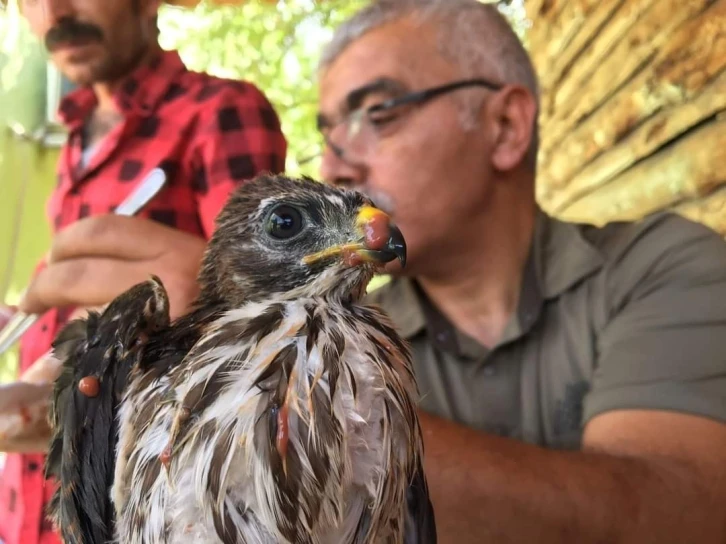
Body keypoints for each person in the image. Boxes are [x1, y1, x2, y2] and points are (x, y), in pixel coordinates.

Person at [315, 0, 726, 542]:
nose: (334, 168)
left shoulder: (662, 266)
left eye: (379, 114)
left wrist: (320, 418)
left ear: (506, 125)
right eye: (328, 135)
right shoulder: (341, 339)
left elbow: (679, 514)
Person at [0, 0, 287, 542]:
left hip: (130, 505)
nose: (55, 11)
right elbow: (91, 296)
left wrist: (201, 308)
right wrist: (26, 322)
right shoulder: (76, 133)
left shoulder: (219, 109)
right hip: (32, 498)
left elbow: (273, 320)